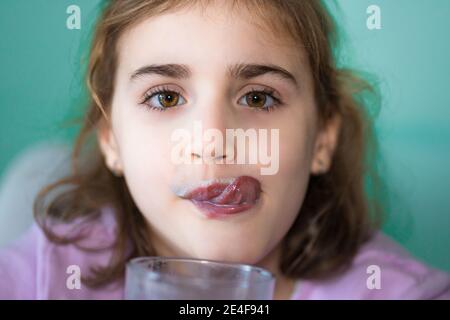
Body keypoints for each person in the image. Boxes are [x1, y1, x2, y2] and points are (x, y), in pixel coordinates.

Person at [0, 0, 449, 299]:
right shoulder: (43, 275)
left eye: (258, 97)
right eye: (166, 97)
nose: (213, 142)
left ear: (322, 140)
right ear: (111, 140)